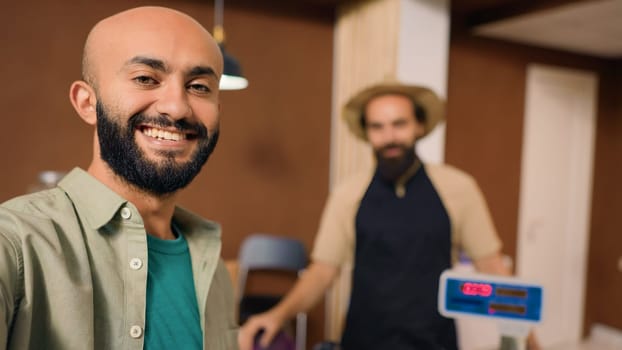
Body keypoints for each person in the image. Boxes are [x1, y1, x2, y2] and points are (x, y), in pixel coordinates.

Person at [0, 6, 238, 350]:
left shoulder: (213, 268)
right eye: (146, 78)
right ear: (87, 103)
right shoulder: (14, 242)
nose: (177, 107)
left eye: (199, 87)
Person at [239, 82, 538, 350]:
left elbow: (491, 265)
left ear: (419, 126)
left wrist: (528, 338)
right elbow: (322, 272)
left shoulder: (459, 188)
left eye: (399, 124)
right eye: (378, 127)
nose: (389, 137)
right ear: (367, 133)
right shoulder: (348, 194)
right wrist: (278, 315)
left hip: (435, 342)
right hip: (363, 340)